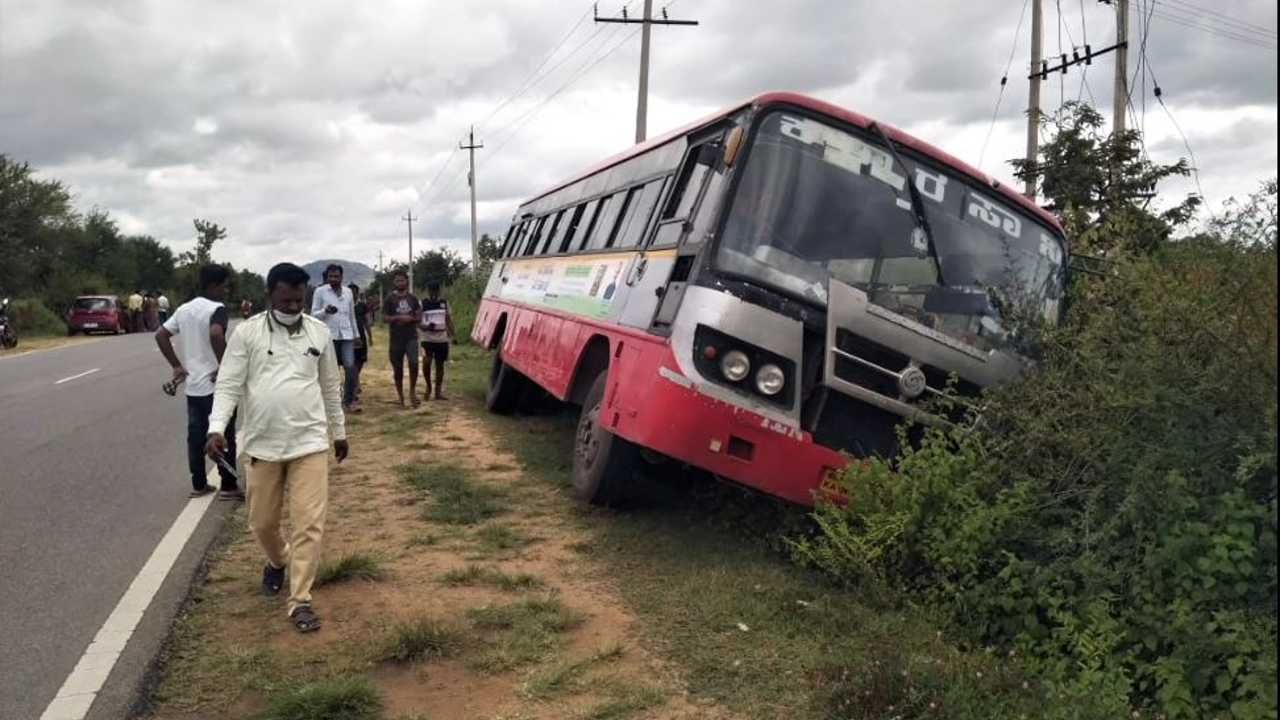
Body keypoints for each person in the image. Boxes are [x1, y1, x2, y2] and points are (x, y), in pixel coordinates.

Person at [206, 262, 348, 634]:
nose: (292, 306)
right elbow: (228, 384)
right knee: (263, 522)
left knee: (309, 524)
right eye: (285, 300)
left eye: (298, 300)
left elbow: (330, 386)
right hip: (262, 444)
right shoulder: (248, 333)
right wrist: (216, 427)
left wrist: (339, 432)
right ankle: (278, 560)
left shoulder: (318, 332)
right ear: (270, 295)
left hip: (310, 442)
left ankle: (300, 600)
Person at [155, 265, 241, 500]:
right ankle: (229, 485)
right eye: (224, 285)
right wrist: (225, 367)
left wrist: (176, 365)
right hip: (216, 386)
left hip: (193, 387)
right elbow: (215, 334)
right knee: (223, 434)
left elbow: (161, 334)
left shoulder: (184, 309)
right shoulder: (217, 309)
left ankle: (199, 484)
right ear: (213, 285)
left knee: (195, 436)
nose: (226, 289)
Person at [310, 264, 358, 411]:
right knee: (331, 371)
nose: (333, 279)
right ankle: (332, 402)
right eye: (331, 276)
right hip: (328, 336)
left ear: (341, 277)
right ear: (327, 277)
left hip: (347, 335)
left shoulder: (348, 292)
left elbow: (351, 315)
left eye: (336, 276)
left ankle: (349, 401)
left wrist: (357, 335)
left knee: (350, 369)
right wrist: (325, 310)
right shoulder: (320, 292)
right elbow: (313, 314)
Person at [382, 270, 420, 407]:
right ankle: (400, 397)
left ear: (407, 281)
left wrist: (411, 319)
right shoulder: (389, 299)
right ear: (394, 282)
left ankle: (412, 393)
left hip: (411, 337)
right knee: (397, 369)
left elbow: (419, 316)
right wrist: (398, 317)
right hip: (396, 339)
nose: (400, 283)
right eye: (397, 280)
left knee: (414, 363)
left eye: (402, 280)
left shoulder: (413, 298)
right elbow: (384, 318)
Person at [419, 281, 456, 401]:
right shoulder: (422, 304)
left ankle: (437, 392)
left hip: (442, 339)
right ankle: (428, 387)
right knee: (427, 362)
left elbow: (448, 319)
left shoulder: (444, 303)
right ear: (428, 291)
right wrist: (425, 327)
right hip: (427, 339)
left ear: (438, 291)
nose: (433, 293)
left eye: (436, 290)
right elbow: (418, 321)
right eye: (431, 290)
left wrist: (452, 334)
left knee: (440, 365)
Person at [348, 283, 371, 411]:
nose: (352, 295)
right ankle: (354, 389)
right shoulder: (344, 306)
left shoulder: (362, 306)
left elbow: (367, 322)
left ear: (357, 293)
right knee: (351, 365)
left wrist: (370, 336)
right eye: (349, 292)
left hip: (360, 338)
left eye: (354, 292)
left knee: (360, 362)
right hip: (348, 339)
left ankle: (355, 383)